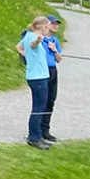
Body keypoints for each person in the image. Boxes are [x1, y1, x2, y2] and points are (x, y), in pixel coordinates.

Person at [16, 16, 53, 150]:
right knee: (39, 107)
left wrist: (28, 56)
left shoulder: (28, 36)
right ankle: (34, 138)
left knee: (40, 106)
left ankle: (37, 136)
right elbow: (33, 45)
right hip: (38, 78)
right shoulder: (33, 38)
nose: (48, 29)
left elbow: (18, 47)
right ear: (42, 27)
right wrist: (37, 41)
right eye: (47, 27)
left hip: (36, 76)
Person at [40, 15, 64, 143]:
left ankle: (46, 130)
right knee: (42, 101)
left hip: (53, 70)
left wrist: (54, 50)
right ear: (47, 24)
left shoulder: (55, 40)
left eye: (57, 24)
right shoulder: (40, 39)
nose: (56, 26)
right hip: (43, 71)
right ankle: (37, 130)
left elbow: (59, 59)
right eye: (53, 23)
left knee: (50, 101)